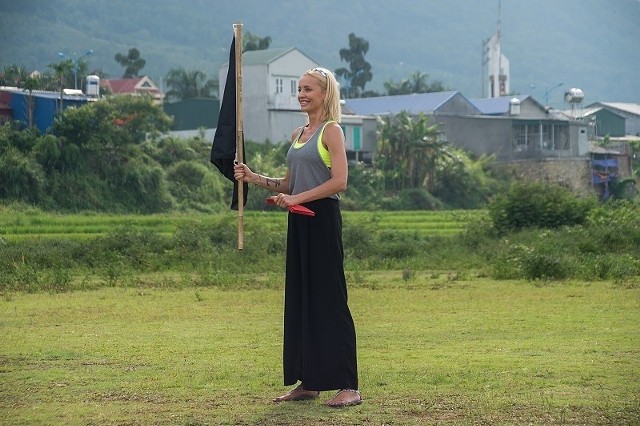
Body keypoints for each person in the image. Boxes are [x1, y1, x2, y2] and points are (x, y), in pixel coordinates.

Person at [233, 67, 362, 408]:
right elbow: (290, 184)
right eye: (299, 89)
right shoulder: (299, 133)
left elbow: (339, 182)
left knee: (330, 301)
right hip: (299, 221)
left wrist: (297, 199)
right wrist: (254, 177)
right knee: (302, 301)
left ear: (324, 93)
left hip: (322, 221)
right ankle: (309, 382)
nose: (302, 94)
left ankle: (349, 385)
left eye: (308, 89)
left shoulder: (332, 132)